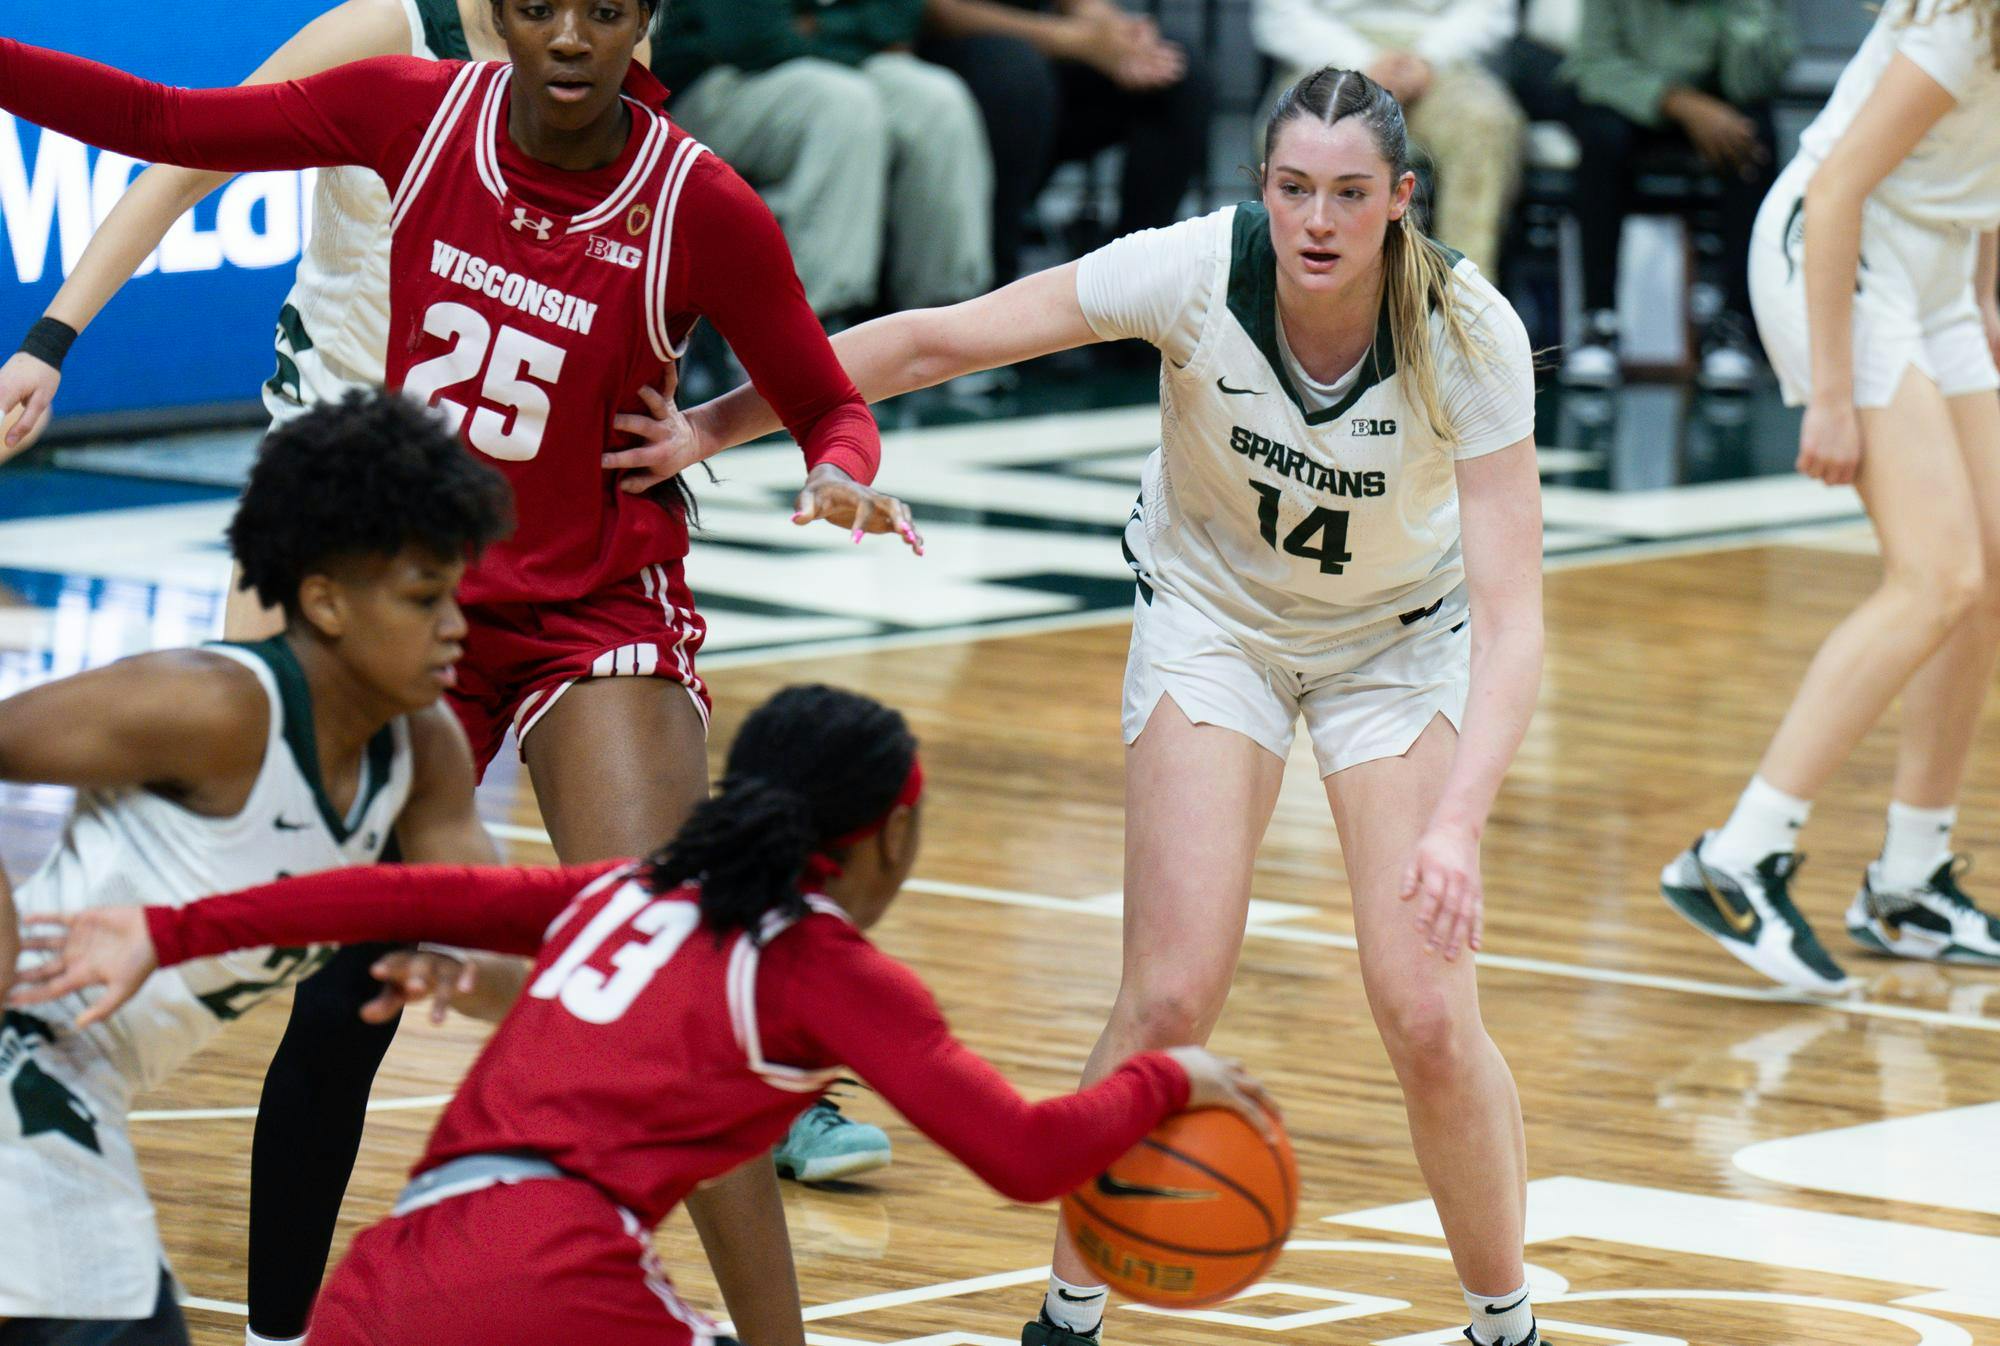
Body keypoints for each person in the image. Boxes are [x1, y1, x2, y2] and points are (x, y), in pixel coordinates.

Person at [0, 7, 919, 1343]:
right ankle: (277, 1329)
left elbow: (827, 395)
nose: (566, 35)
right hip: (426, 603)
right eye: (540, 2)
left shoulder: (693, 199)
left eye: (603, 11)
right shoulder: (405, 105)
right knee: (347, 980)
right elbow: (159, 123)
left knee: (672, 985)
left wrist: (838, 470)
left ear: (643, 20)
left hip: (595, 603)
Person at [611, 66, 1547, 1346]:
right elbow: (942, 334)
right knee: (1166, 997)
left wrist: (1456, 825)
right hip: (1214, 622)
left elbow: (1514, 615)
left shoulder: (1466, 331)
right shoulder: (1190, 271)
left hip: (1395, 648)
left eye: (1346, 193)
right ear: (1257, 189)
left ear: (1400, 198)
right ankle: (1064, 1318)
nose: (1315, 221)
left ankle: (1507, 1322)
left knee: (1429, 1011)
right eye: (1290, 189)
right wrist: (714, 427)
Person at [12, 684, 1274, 1346]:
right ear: (892, 834)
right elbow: (1028, 1154)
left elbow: (391, 888)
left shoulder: (624, 889)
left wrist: (173, 928)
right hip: (555, 1281)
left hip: (387, 1279)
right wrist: (1175, 1078)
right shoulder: (821, 966)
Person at [0, 391, 513, 1344]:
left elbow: (497, 954)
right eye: (422, 598)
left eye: (455, 590)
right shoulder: (213, 708)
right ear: (323, 600)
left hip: (80, 1085)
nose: (456, 625)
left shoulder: (424, 750)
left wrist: (470, 971)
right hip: (22, 1072)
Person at [1661, 0, 2000, 990]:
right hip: (1835, 253)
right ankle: (1734, 855)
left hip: (1931, 270)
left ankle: (1909, 879)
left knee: (1985, 572)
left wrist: (1979, 292)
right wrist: (1834, 399)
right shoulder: (1960, 27)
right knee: (1933, 576)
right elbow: (1838, 187)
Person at [655, 0, 993, 322]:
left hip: (832, 61)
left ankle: (946, 319)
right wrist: (859, 32)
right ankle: (808, 329)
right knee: (843, 104)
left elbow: (900, 16)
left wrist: (822, 28)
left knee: (937, 100)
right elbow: (753, 41)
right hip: (715, 81)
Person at [1557, 0, 1795, 389]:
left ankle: (1735, 324)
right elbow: (1592, 65)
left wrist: (1734, 16)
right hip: (1628, 98)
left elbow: (1760, 79)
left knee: (1754, 138)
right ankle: (1598, 320)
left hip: (1721, 104)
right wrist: (1678, 103)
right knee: (1600, 137)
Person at [917, 0, 1213, 287]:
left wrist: (1119, 34)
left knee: (1178, 66)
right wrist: (1077, 41)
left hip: (1040, 61)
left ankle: (1134, 290)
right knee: (1014, 74)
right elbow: (937, 12)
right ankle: (989, 295)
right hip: (949, 54)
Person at [1252, 0, 1525, 279]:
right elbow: (1281, 12)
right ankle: (1304, 301)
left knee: (1486, 124)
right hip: (1329, 51)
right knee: (1300, 128)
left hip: (1442, 55)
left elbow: (1490, 10)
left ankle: (1465, 301)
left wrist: (1427, 58)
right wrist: (1360, 61)